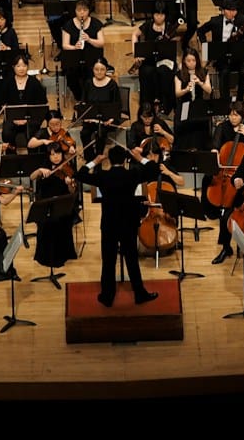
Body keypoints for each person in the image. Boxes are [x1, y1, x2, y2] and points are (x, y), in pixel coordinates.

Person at [75, 145, 162, 307]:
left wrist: (95, 161)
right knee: (132, 259)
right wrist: (139, 157)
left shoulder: (103, 176)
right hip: (128, 222)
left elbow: (80, 174)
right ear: (125, 160)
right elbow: (154, 169)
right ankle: (140, 294)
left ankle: (107, 296)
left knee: (108, 260)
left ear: (110, 160)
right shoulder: (132, 174)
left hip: (109, 223)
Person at [28, 140, 79, 269]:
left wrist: (69, 184)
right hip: (45, 204)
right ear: (48, 156)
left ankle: (63, 254)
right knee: (48, 222)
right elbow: (32, 177)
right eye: (53, 154)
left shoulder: (67, 168)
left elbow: (72, 191)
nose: (56, 157)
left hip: (62, 203)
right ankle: (46, 256)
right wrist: (39, 170)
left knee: (60, 220)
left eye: (58, 154)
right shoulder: (44, 166)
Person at [198, 0, 244, 98]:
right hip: (222, 56)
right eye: (230, 10)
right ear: (223, 11)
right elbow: (200, 31)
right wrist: (206, 47)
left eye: (235, 10)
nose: (233, 13)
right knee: (224, 72)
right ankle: (225, 100)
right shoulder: (215, 21)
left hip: (239, 56)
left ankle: (240, 97)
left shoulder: (243, 21)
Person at [0, 51, 47, 148]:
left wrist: (27, 119)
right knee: (7, 133)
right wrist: (14, 118)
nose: (21, 68)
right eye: (18, 66)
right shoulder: (7, 82)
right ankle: (11, 155)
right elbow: (1, 102)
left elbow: (42, 104)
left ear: (27, 67)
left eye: (24, 65)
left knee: (32, 133)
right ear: (13, 67)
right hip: (12, 119)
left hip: (31, 119)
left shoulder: (34, 83)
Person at [131, 6, 179, 113]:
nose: (159, 17)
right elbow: (134, 34)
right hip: (150, 59)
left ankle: (165, 105)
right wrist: (136, 53)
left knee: (163, 71)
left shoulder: (169, 27)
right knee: (146, 71)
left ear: (165, 16)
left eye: (162, 15)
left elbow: (175, 43)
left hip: (166, 59)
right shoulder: (147, 25)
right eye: (157, 14)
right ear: (153, 15)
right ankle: (147, 104)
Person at [59, 0, 106, 102]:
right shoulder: (68, 25)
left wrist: (89, 39)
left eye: (84, 10)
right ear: (75, 11)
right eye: (79, 10)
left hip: (92, 58)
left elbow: (101, 43)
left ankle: (90, 98)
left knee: (90, 75)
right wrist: (74, 47)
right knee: (71, 76)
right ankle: (80, 98)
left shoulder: (96, 23)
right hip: (75, 58)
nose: (82, 13)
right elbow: (65, 45)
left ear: (88, 11)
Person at [78, 58, 124, 153]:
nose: (99, 72)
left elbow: (117, 105)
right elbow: (83, 102)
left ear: (106, 70)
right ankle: (89, 158)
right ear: (93, 70)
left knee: (101, 132)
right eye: (96, 69)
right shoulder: (88, 83)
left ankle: (98, 159)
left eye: (102, 69)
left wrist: (111, 119)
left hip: (108, 120)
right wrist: (86, 117)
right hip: (91, 118)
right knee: (84, 133)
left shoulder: (112, 84)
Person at [172, 49, 213, 153]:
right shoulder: (179, 74)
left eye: (193, 60)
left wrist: (199, 82)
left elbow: (208, 90)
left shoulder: (203, 72)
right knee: (185, 123)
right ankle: (185, 149)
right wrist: (186, 89)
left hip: (199, 103)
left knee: (202, 122)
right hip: (185, 104)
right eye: (188, 61)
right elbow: (177, 93)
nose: (191, 63)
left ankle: (202, 149)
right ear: (184, 62)